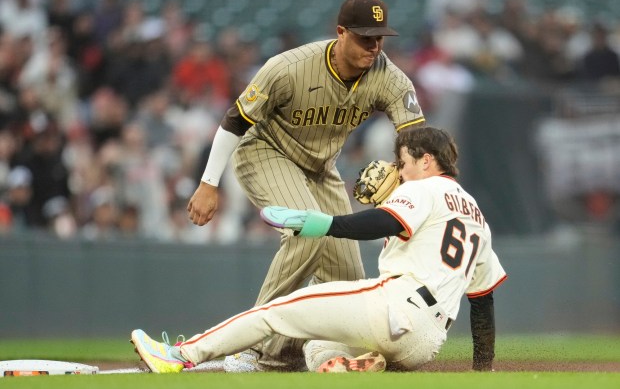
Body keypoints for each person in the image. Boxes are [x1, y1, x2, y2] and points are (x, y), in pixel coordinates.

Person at [131, 126, 507, 373]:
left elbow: (385, 222)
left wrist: (325, 223)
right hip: (426, 342)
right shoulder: (478, 218)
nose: (398, 170)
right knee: (318, 346)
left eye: (404, 162)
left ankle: (180, 356)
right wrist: (482, 369)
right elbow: (483, 302)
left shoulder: (423, 187)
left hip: (397, 305)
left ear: (427, 161)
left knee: (274, 312)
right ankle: (358, 367)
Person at [185, 0, 425, 371]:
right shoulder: (290, 67)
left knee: (347, 278)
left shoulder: (389, 78)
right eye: (365, 37)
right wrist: (208, 182)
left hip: (320, 168)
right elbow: (235, 120)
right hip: (266, 151)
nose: (374, 46)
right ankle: (252, 346)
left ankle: (285, 353)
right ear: (341, 33)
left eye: (379, 38)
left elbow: (416, 138)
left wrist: (411, 178)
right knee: (307, 233)